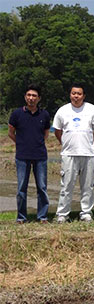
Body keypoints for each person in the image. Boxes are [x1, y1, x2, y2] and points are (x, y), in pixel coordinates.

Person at [53, 83, 94, 223]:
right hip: (68, 153)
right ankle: (63, 214)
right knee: (67, 185)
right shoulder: (62, 110)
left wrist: (92, 144)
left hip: (88, 153)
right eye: (73, 93)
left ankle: (86, 212)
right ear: (70, 95)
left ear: (84, 96)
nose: (76, 96)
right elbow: (57, 130)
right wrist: (65, 142)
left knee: (87, 186)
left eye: (79, 94)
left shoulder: (91, 109)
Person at [8, 84, 51, 224]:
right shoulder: (16, 114)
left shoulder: (44, 114)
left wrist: (36, 143)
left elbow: (45, 134)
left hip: (40, 156)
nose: (31, 98)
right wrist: (21, 143)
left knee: (42, 187)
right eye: (29, 95)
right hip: (22, 156)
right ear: (25, 97)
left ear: (39, 98)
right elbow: (11, 133)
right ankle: (21, 217)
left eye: (34, 96)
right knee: (21, 188)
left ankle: (42, 216)